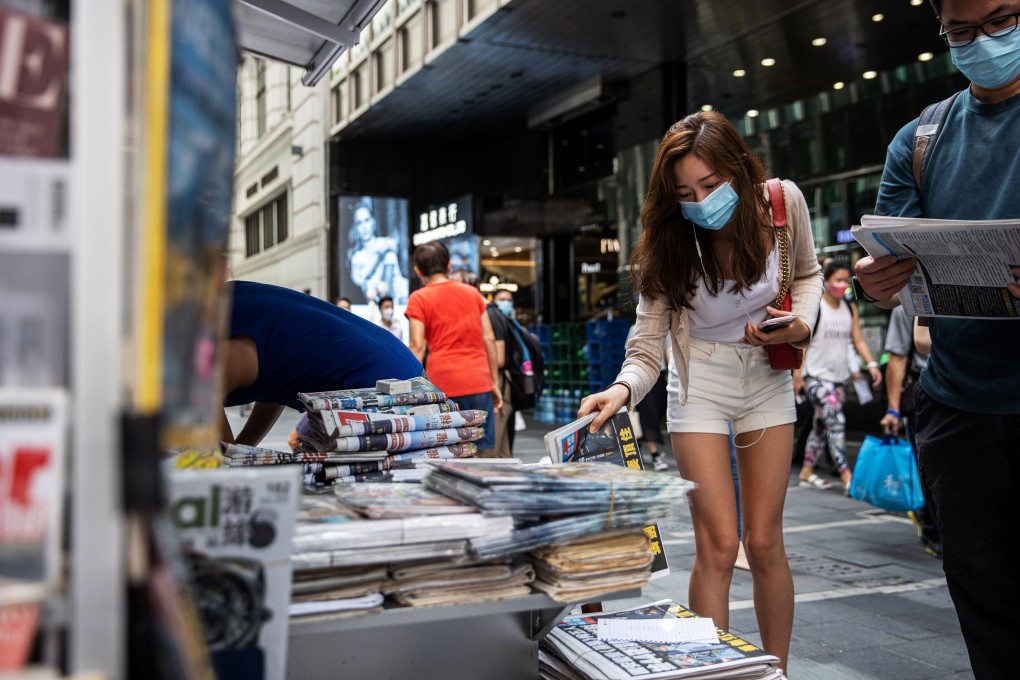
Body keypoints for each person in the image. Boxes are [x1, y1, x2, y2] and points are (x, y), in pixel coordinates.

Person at [578, 111, 822, 673]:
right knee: (716, 545)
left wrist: (800, 324)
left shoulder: (783, 204)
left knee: (764, 542)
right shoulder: (668, 241)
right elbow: (647, 346)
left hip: (766, 376)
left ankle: (774, 671)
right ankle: (714, 673)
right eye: (686, 192)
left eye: (711, 185)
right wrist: (621, 391)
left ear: (738, 167)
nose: (701, 200)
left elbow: (808, 274)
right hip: (700, 382)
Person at [855, 1, 1020, 674]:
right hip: (959, 406)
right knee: (986, 602)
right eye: (962, 31)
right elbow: (888, 250)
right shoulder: (921, 139)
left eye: (1002, 20)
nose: (982, 41)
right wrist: (873, 279)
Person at [219, 281, 423, 446]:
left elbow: (221, 469)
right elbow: (273, 380)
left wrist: (234, 456)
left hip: (380, 389)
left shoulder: (213, 345)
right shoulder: (233, 303)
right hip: (402, 369)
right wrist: (242, 449)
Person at [793, 261, 883, 492]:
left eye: (845, 280)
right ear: (826, 281)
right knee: (837, 421)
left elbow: (858, 339)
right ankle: (846, 475)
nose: (842, 285)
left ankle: (806, 471)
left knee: (821, 426)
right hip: (816, 377)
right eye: (838, 280)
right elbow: (802, 343)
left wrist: (871, 364)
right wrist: (797, 375)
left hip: (839, 378)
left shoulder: (849, 308)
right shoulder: (817, 307)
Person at [405, 242, 503, 451]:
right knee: (480, 450)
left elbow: (417, 346)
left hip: (442, 385)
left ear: (418, 271)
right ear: (449, 266)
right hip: (479, 381)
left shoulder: (419, 298)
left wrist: (408, 391)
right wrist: (494, 381)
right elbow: (489, 338)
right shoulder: (472, 294)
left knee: (447, 450)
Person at [881, 306, 941, 558]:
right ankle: (932, 530)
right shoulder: (905, 307)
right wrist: (893, 409)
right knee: (929, 466)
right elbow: (897, 358)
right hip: (926, 391)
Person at [345, 197, 409, 304]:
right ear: (355, 228)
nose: (364, 227)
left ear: (373, 222)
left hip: (401, 301)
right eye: (359, 223)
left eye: (367, 220)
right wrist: (379, 254)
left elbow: (387, 287)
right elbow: (361, 281)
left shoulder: (386, 243)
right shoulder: (357, 257)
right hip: (377, 307)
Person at [625, 319, 670, 471]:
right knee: (648, 414)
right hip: (641, 375)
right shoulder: (635, 327)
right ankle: (655, 454)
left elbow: (669, 351)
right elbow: (630, 353)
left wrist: (673, 376)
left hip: (659, 377)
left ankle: (635, 452)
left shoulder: (665, 328)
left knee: (654, 414)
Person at [485, 288, 517, 457]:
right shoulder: (505, 319)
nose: (507, 302)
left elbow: (499, 359)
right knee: (503, 444)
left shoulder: (493, 316)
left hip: (499, 382)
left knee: (493, 441)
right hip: (505, 382)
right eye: (503, 299)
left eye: (509, 299)